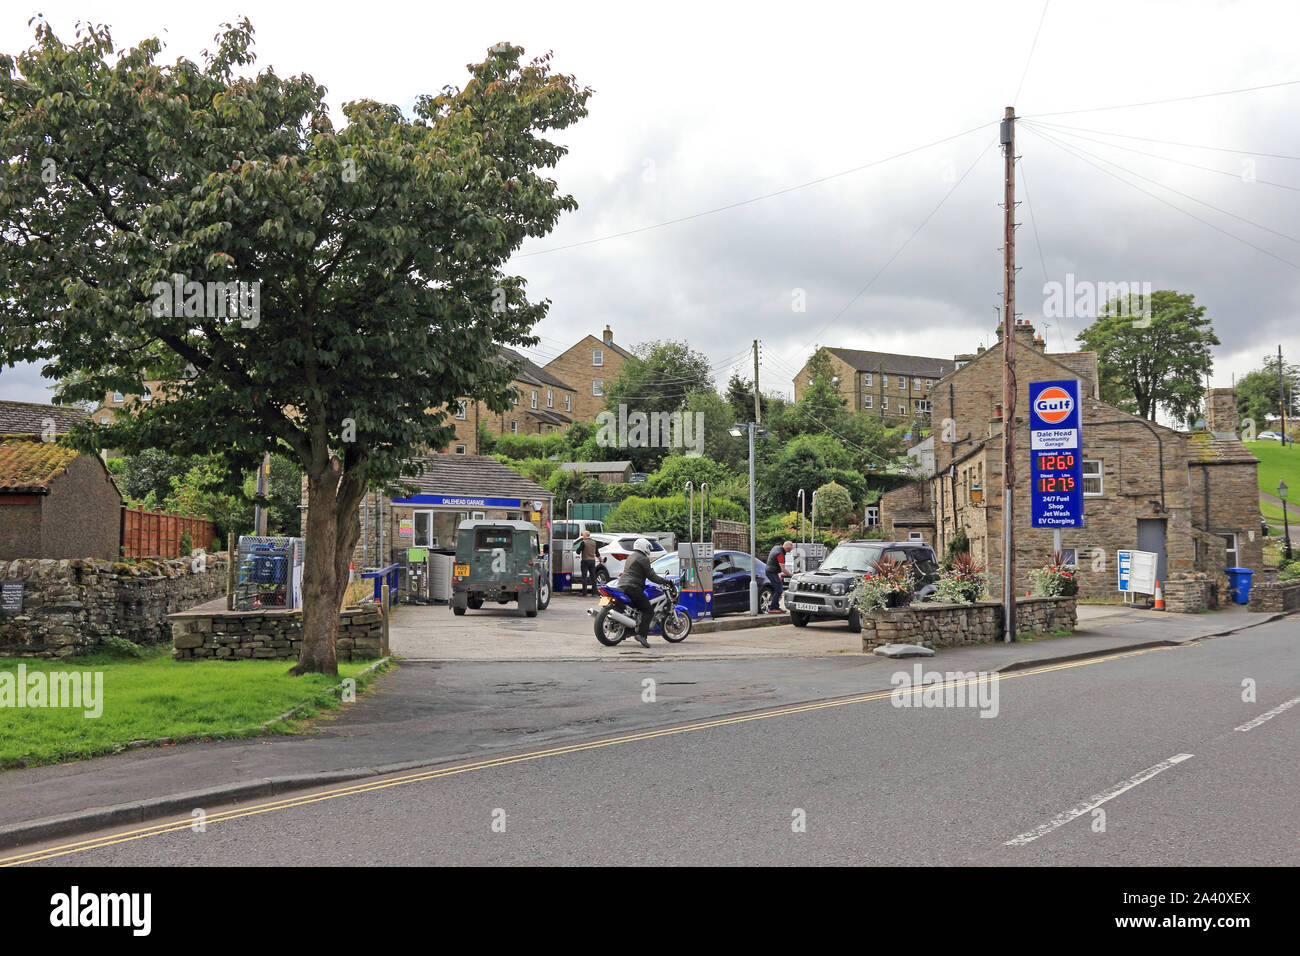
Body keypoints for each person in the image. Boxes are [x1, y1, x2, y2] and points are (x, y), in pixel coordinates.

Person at [616, 536, 670, 648]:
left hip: (622, 585)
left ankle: (629, 630)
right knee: (648, 610)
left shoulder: (631, 556)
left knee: (636, 609)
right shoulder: (643, 558)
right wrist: (666, 581)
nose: (649, 550)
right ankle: (642, 635)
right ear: (644, 547)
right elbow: (652, 576)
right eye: (648, 547)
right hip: (633, 587)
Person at [764, 540, 794, 613]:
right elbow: (783, 569)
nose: (789, 552)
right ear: (787, 549)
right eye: (790, 550)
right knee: (779, 590)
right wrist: (792, 575)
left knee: (777, 589)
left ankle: (776, 607)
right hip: (772, 572)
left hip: (770, 571)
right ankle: (772, 608)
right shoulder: (780, 554)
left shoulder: (776, 547)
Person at [574, 530, 599, 596]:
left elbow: (578, 551)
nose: (583, 536)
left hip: (585, 561)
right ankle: (594, 592)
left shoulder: (583, 542)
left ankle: (584, 593)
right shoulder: (594, 542)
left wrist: (578, 550)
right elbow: (597, 552)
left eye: (583, 535)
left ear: (585, 536)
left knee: (584, 577)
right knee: (593, 576)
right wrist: (600, 558)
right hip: (592, 561)